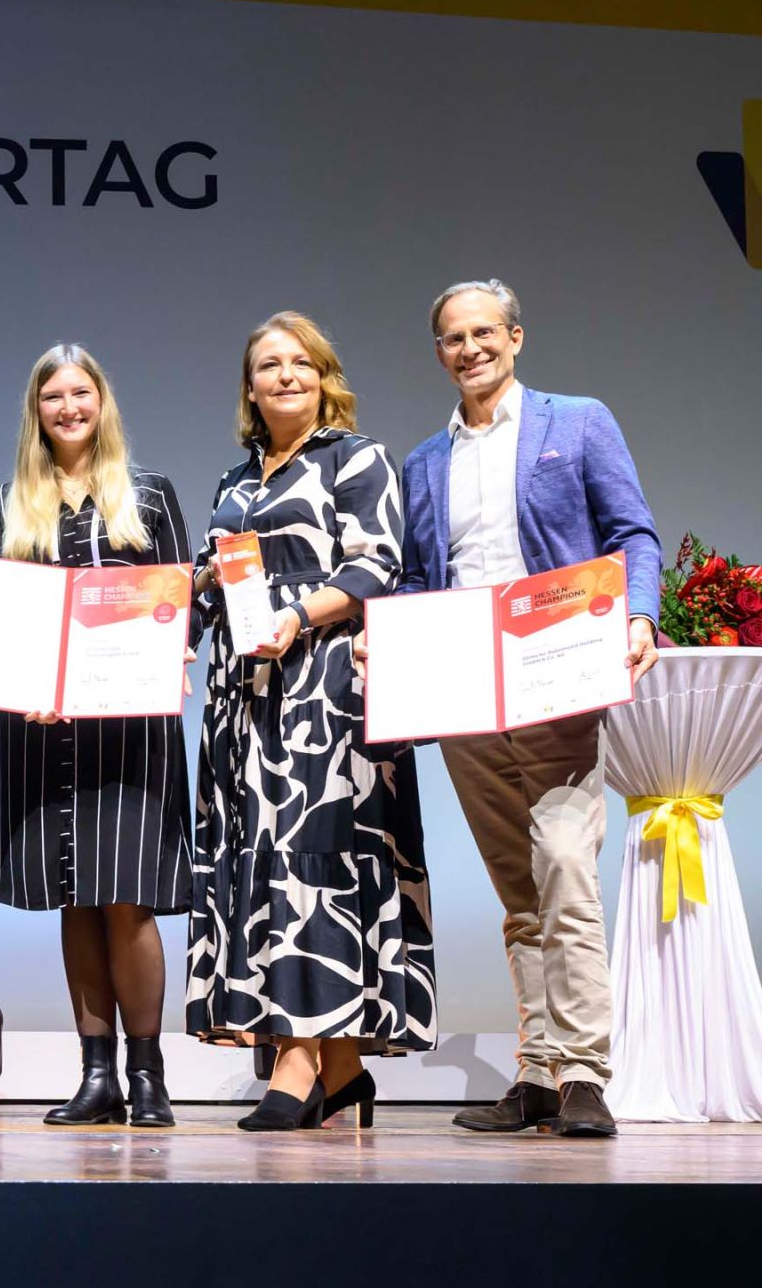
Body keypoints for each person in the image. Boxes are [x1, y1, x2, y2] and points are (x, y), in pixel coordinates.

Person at [391, 280, 661, 1139]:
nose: (469, 349)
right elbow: (413, 577)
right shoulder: (424, 462)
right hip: (465, 685)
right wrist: (386, 638)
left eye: (483, 333)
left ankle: (585, 1074)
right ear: (439, 354)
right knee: (518, 890)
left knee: (566, 870)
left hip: (559, 675)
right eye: (452, 338)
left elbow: (632, 535)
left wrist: (640, 612)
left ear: (515, 337)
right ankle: (538, 1073)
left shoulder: (576, 421)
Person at [185, 311, 435, 1130]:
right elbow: (206, 578)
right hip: (244, 698)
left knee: (316, 864)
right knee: (261, 861)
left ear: (325, 375)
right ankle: (346, 1068)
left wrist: (298, 618)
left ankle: (295, 1064)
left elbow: (376, 563)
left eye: (301, 362)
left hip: (326, 689)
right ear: (249, 389)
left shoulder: (358, 458)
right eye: (268, 365)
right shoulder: (236, 479)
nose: (286, 375)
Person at [0, 345, 193, 1128]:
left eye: (80, 393)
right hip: (43, 733)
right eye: (53, 397)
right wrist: (15, 682)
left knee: (126, 900)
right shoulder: (5, 504)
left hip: (130, 733)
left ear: (102, 402)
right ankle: (95, 1078)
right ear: (36, 411)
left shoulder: (152, 497)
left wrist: (176, 645)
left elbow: (180, 603)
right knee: (74, 897)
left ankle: (148, 1078)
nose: (68, 408)